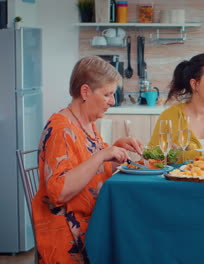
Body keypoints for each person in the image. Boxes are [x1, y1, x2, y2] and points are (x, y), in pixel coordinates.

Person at [32, 56, 143, 264]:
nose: (112, 101)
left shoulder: (87, 124)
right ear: (85, 92)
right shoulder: (60, 129)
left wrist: (116, 149)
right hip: (68, 233)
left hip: (93, 222)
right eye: (107, 94)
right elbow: (60, 191)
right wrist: (103, 154)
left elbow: (91, 170)